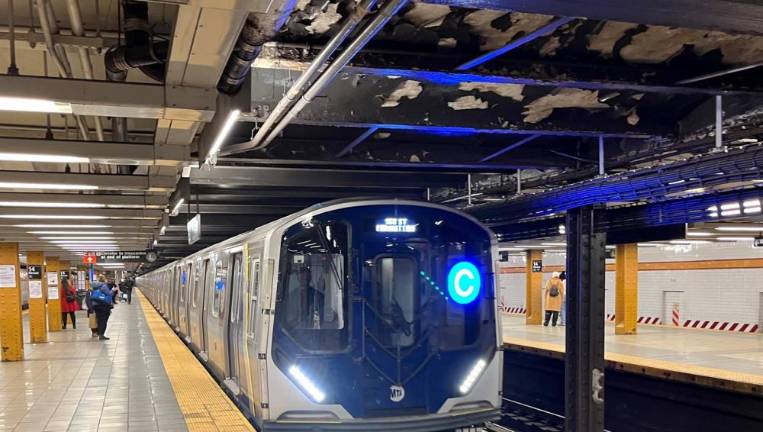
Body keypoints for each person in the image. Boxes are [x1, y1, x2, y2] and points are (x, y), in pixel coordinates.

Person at [89, 275, 114, 340]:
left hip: (96, 305)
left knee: (99, 319)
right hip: (103, 305)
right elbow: (109, 294)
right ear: (104, 279)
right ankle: (101, 335)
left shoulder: (93, 286)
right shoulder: (104, 286)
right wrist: (113, 290)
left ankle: (98, 333)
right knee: (103, 320)